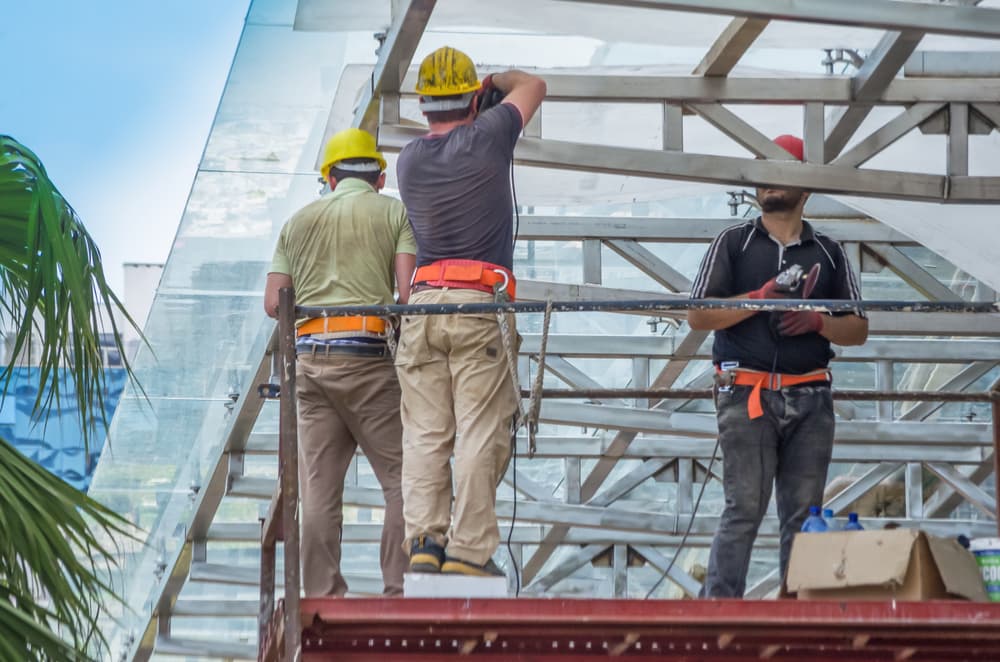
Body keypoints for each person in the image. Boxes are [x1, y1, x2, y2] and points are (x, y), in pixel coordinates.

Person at [688, 134, 869, 597]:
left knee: (803, 514)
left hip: (809, 394)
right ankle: (719, 617)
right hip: (746, 391)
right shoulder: (732, 243)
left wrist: (818, 322)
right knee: (744, 508)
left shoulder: (828, 251)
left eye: (782, 169)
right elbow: (698, 314)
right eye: (764, 170)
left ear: (804, 186)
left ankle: (797, 617)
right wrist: (761, 299)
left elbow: (858, 328)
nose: (770, 179)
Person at [393, 46, 546, 577]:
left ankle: (424, 543)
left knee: (426, 433)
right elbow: (535, 85)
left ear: (423, 104)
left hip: (424, 304)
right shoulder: (490, 135)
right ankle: (467, 550)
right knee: (481, 429)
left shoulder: (409, 159)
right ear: (474, 97)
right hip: (478, 302)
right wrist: (497, 81)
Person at [264, 128, 415, 597]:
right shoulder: (394, 212)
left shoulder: (297, 223)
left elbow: (274, 302)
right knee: (405, 479)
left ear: (329, 177)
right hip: (369, 360)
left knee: (319, 493)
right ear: (380, 177)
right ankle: (399, 587)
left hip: (311, 364)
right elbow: (409, 295)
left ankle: (322, 594)